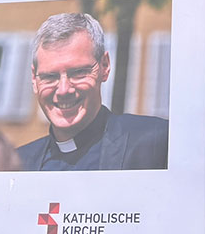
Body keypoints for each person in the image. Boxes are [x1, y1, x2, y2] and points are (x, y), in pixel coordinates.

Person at [16, 13, 169, 171]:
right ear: (34, 79)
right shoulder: (17, 163)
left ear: (104, 67)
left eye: (78, 72)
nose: (63, 90)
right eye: (50, 76)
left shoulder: (156, 143)